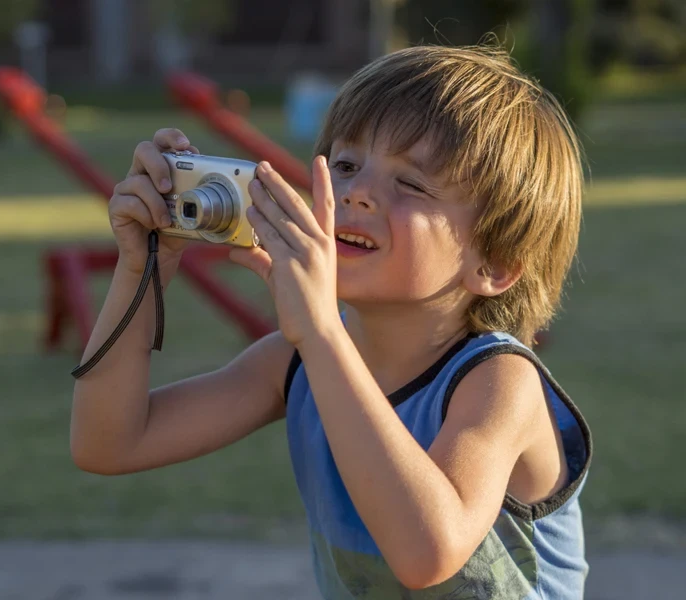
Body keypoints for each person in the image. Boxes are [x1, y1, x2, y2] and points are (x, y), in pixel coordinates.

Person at [71, 44, 592, 599]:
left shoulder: (499, 382)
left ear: (493, 264)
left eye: (411, 183)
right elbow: (109, 444)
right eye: (344, 165)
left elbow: (427, 553)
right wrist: (142, 265)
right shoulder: (292, 362)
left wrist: (320, 331)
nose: (356, 193)